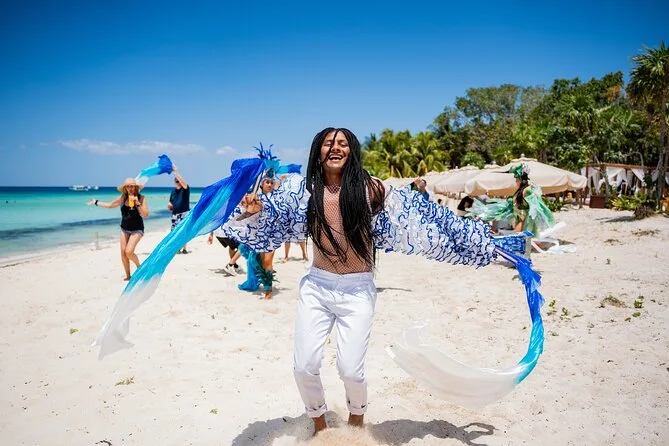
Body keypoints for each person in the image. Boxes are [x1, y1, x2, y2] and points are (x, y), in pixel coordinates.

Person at [88, 178, 149, 280]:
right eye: (128, 186)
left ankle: (139, 267)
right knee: (123, 252)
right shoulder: (123, 198)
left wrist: (137, 203)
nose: (130, 188)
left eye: (132, 186)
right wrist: (96, 202)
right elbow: (110, 205)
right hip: (124, 229)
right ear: (125, 188)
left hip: (137, 229)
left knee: (129, 252)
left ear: (135, 187)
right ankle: (128, 276)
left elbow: (145, 215)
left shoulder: (141, 198)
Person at [168, 165, 190, 254]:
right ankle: (177, 248)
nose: (178, 182)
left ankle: (184, 248)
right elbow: (170, 201)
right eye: (176, 181)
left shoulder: (185, 189)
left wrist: (175, 172)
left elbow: (182, 181)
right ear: (174, 182)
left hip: (184, 213)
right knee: (174, 232)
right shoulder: (173, 191)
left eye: (179, 181)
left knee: (183, 231)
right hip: (175, 214)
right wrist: (169, 205)